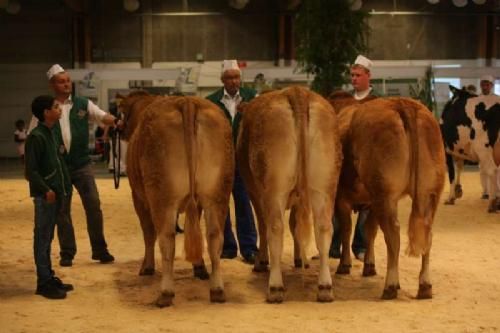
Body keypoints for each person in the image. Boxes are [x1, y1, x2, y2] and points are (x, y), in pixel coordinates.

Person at [29, 64, 120, 267]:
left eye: (68, 80)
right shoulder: (45, 107)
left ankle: (100, 249)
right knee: (62, 210)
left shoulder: (82, 103)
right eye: (62, 81)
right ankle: (67, 252)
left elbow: (101, 115)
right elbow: (32, 136)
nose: (67, 84)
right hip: (58, 168)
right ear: (53, 85)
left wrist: (116, 121)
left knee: (94, 206)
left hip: (82, 164)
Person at [206, 60, 258, 264]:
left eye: (236, 77)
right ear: (222, 80)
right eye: (229, 78)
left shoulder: (252, 98)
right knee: (221, 205)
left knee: (244, 203)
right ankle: (228, 246)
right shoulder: (211, 101)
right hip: (220, 161)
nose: (233, 81)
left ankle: (249, 247)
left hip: (243, 161)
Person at [330, 55, 379, 261]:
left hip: (368, 161)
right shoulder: (343, 102)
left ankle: (360, 247)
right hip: (344, 162)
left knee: (368, 207)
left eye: (358, 75)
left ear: (369, 76)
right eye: (352, 75)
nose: (354, 79)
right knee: (338, 205)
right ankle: (334, 246)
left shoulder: (377, 103)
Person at [25, 95, 74, 299]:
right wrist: (46, 190)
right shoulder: (36, 137)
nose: (59, 109)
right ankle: (43, 282)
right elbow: (31, 171)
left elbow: (58, 162)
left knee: (48, 237)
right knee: (43, 238)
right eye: (55, 107)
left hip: (56, 193)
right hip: (46, 196)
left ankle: (48, 276)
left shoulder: (51, 132)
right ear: (46, 112)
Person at [478, 74, 497, 200]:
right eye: (483, 84)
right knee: (482, 165)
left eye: (487, 84)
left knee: (495, 165)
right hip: (479, 136)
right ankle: (485, 191)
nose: (485, 86)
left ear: (492, 85)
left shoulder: (497, 99)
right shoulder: (476, 99)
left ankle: (495, 191)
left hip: (495, 135)